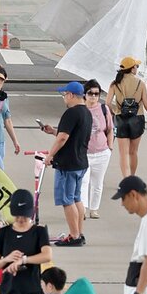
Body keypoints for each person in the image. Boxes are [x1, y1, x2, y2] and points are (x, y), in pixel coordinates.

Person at [40, 82, 91, 248]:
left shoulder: (71, 113)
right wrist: (53, 131)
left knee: (67, 200)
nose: (64, 98)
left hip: (68, 163)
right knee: (76, 198)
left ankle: (74, 235)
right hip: (80, 161)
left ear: (71, 95)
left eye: (64, 95)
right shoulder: (86, 113)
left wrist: (50, 155)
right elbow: (71, 134)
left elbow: (63, 138)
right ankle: (79, 233)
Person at [107, 57, 147, 178]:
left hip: (120, 119)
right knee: (133, 152)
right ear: (132, 68)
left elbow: (108, 103)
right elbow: (146, 104)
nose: (137, 68)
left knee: (123, 154)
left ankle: (125, 179)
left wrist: (114, 112)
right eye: (136, 66)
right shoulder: (141, 83)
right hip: (137, 119)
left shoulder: (115, 84)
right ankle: (132, 177)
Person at [81, 80, 113, 218]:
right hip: (84, 153)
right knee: (84, 181)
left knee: (97, 183)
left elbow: (110, 129)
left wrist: (110, 147)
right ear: (85, 94)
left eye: (96, 94)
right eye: (90, 93)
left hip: (102, 152)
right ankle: (82, 208)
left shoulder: (104, 109)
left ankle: (94, 209)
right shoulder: (81, 109)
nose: (93, 96)